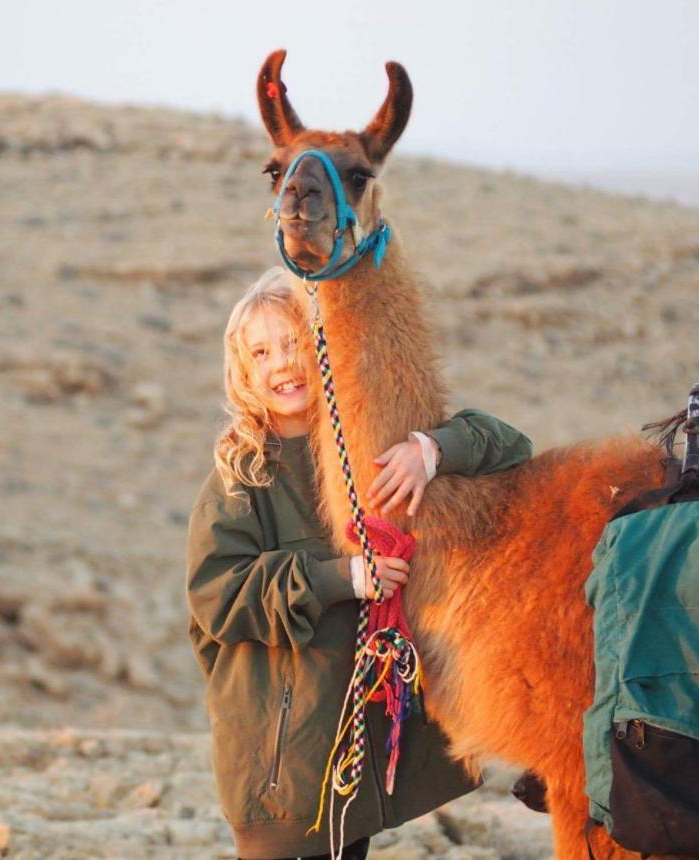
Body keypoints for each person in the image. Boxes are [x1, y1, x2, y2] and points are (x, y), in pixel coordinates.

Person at [186, 267, 533, 860]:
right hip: (280, 758)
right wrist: (342, 577)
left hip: (351, 747)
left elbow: (510, 445)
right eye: (262, 352)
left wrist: (431, 451)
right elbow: (218, 595)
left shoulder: (360, 447)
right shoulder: (240, 480)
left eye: (294, 342)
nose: (282, 364)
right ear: (243, 372)